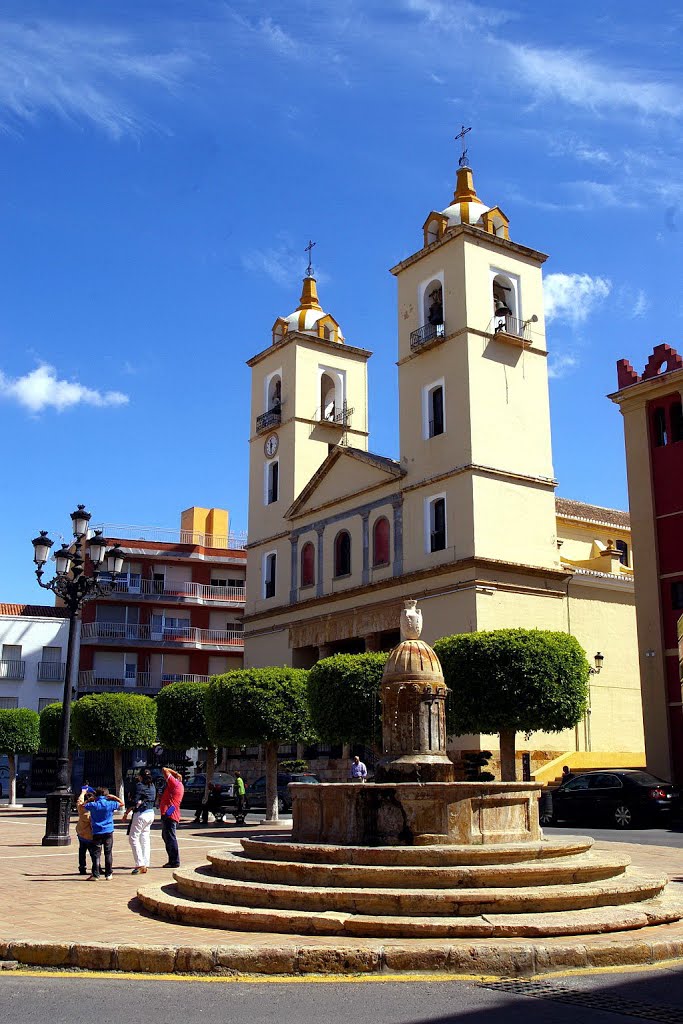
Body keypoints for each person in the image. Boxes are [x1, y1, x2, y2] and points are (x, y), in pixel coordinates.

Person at [84, 786, 124, 880]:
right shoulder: (110, 803)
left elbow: (83, 805)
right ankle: (108, 873)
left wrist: (91, 799)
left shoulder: (94, 804)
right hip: (108, 830)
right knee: (108, 853)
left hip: (97, 831)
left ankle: (96, 874)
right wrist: (114, 797)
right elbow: (121, 804)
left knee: (96, 854)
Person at [122, 768, 156, 875]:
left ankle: (140, 864)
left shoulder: (139, 785)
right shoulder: (152, 786)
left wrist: (126, 813)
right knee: (145, 838)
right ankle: (145, 862)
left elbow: (134, 802)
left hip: (141, 814)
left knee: (133, 838)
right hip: (151, 813)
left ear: (140, 776)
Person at [159, 766, 184, 868]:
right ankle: (172, 860)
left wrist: (175, 773)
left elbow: (164, 769)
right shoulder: (180, 786)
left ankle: (174, 861)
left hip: (170, 815)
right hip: (171, 814)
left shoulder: (175, 783)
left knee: (170, 838)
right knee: (167, 836)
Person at [75, 789, 96, 876]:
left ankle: (82, 867)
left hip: (81, 833)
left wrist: (83, 793)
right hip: (90, 835)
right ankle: (96, 867)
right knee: (94, 853)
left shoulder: (81, 809)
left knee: (82, 851)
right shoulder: (93, 812)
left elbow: (79, 801)